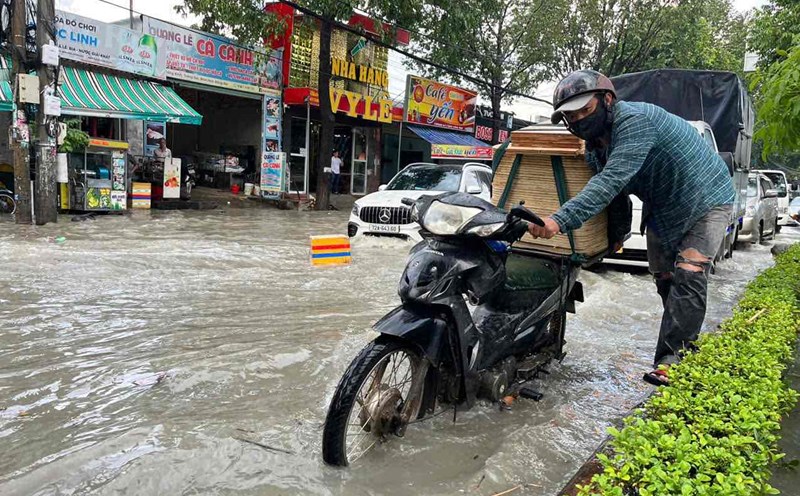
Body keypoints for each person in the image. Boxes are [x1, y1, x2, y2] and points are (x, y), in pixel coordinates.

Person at [529, 69, 735, 387]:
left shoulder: (635, 121)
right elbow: (617, 196)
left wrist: (558, 221)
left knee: (690, 271)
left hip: (708, 198)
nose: (579, 121)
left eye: (585, 110)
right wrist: (615, 238)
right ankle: (684, 344)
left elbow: (609, 182)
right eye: (571, 117)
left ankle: (672, 360)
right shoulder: (596, 149)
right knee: (665, 278)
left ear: (607, 100)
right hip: (664, 208)